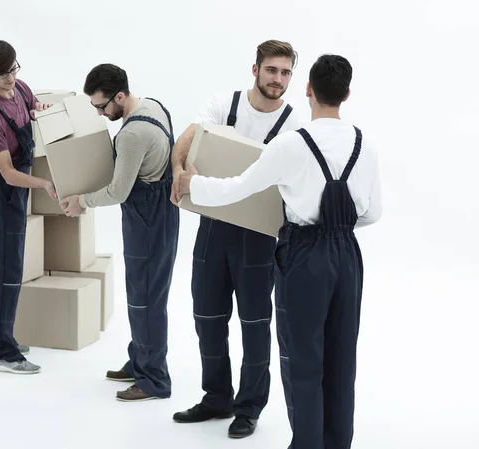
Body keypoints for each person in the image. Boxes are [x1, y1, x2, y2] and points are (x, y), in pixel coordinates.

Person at [178, 54, 382, 449]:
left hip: (305, 256)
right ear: (347, 94)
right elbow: (373, 214)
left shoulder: (293, 144)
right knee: (342, 359)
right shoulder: (364, 143)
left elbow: (239, 188)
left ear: (308, 89)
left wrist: (193, 185)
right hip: (347, 256)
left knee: (302, 360)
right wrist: (336, 229)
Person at [169, 40, 303, 438]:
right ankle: (216, 398)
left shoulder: (295, 126)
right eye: (271, 70)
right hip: (213, 227)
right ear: (255, 69)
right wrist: (179, 169)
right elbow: (188, 137)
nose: (278, 79)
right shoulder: (223, 105)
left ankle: (248, 408)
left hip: (260, 236)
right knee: (207, 317)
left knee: (255, 324)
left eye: (285, 72)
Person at [59, 63, 179, 402]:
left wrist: (81, 201)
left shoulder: (130, 135)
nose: (100, 113)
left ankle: (154, 379)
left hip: (148, 221)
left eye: (101, 106)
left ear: (120, 96)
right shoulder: (154, 105)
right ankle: (141, 359)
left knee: (146, 300)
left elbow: (118, 191)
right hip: (159, 215)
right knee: (143, 295)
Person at [0, 39, 58, 374]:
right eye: (1, 74)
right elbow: (7, 173)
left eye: (13, 69)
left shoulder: (20, 88)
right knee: (7, 270)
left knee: (8, 266)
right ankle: (4, 354)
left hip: (20, 186)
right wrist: (45, 184)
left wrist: (43, 111)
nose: (10, 78)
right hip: (2, 191)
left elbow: (34, 106)